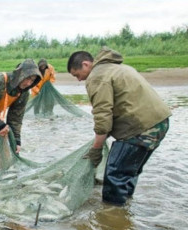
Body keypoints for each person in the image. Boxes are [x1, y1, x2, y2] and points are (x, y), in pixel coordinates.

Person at [67, 47, 171, 205]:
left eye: (77, 75)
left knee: (115, 176)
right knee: (129, 172)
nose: (79, 80)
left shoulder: (97, 77)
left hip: (140, 129)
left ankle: (112, 218)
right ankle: (125, 208)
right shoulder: (118, 68)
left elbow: (103, 116)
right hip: (160, 123)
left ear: (86, 64)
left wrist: (96, 149)